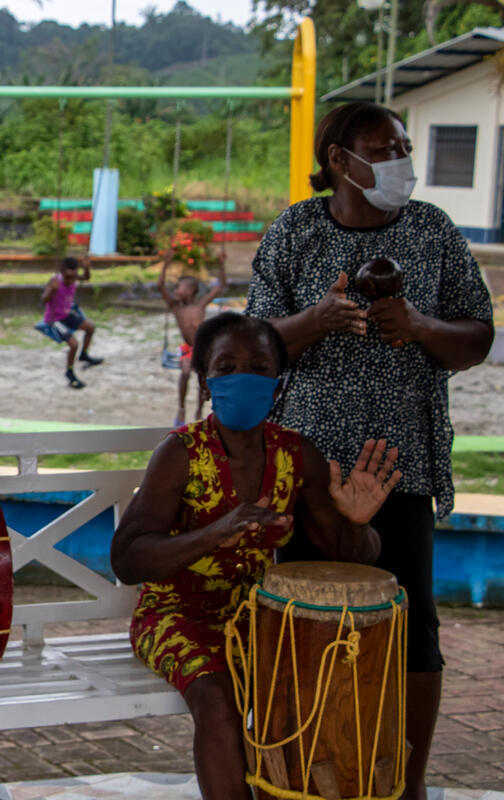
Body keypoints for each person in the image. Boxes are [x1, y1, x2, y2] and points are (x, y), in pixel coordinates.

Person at [246, 101, 494, 800]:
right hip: (307, 465)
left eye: (404, 147)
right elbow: (256, 346)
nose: (402, 162)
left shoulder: (432, 231)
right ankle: (296, 771)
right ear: (340, 162)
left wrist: (417, 326)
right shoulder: (294, 230)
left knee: (411, 626)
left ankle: (406, 782)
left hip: (399, 462)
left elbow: (476, 338)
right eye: (386, 149)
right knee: (296, 614)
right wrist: (315, 320)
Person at [111, 312, 400, 800]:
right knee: (216, 697)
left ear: (277, 382)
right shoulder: (180, 452)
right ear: (206, 383)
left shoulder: (296, 454)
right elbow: (127, 558)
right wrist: (213, 533)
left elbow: (351, 553)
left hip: (259, 620)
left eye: (259, 367)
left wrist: (356, 520)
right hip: (173, 616)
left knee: (315, 689)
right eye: (227, 367)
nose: (243, 377)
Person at [158, 249, 227, 425]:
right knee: (186, 371)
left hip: (203, 348)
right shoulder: (176, 307)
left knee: (202, 378)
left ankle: (198, 410)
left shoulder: (200, 305)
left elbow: (220, 287)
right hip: (188, 349)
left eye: (178, 288)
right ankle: (181, 408)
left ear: (190, 291)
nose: (175, 290)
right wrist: (166, 264)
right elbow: (160, 286)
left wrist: (221, 263)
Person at [37, 256, 103, 389]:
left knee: (90, 327)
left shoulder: (73, 276)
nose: (70, 281)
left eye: (73, 277)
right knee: (73, 344)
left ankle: (84, 355)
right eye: (67, 278)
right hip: (54, 319)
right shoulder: (55, 281)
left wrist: (87, 268)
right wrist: (51, 291)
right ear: (61, 272)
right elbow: (43, 300)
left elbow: (86, 277)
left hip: (67, 314)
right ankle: (70, 372)